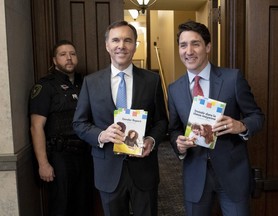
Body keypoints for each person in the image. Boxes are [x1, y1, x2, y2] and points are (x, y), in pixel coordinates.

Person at [168, 20, 265, 216]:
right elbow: (174, 129)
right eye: (183, 45)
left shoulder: (232, 78)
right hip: (195, 176)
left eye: (195, 44)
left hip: (232, 174)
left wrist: (241, 126)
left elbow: (257, 116)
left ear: (208, 47)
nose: (189, 51)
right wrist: (179, 144)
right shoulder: (174, 89)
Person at [72, 20, 168, 216]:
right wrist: (101, 135)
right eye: (115, 40)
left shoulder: (152, 80)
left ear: (135, 45)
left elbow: (161, 121)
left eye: (128, 40)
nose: (121, 46)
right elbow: (79, 123)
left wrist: (151, 139)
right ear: (107, 46)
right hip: (108, 170)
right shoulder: (91, 82)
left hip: (144, 169)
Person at [29, 40, 93, 216]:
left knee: (84, 205)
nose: (69, 58)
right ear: (55, 60)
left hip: (85, 155)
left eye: (72, 54)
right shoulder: (45, 87)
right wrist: (43, 164)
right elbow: (36, 127)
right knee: (61, 207)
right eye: (63, 55)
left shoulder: (85, 83)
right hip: (60, 157)